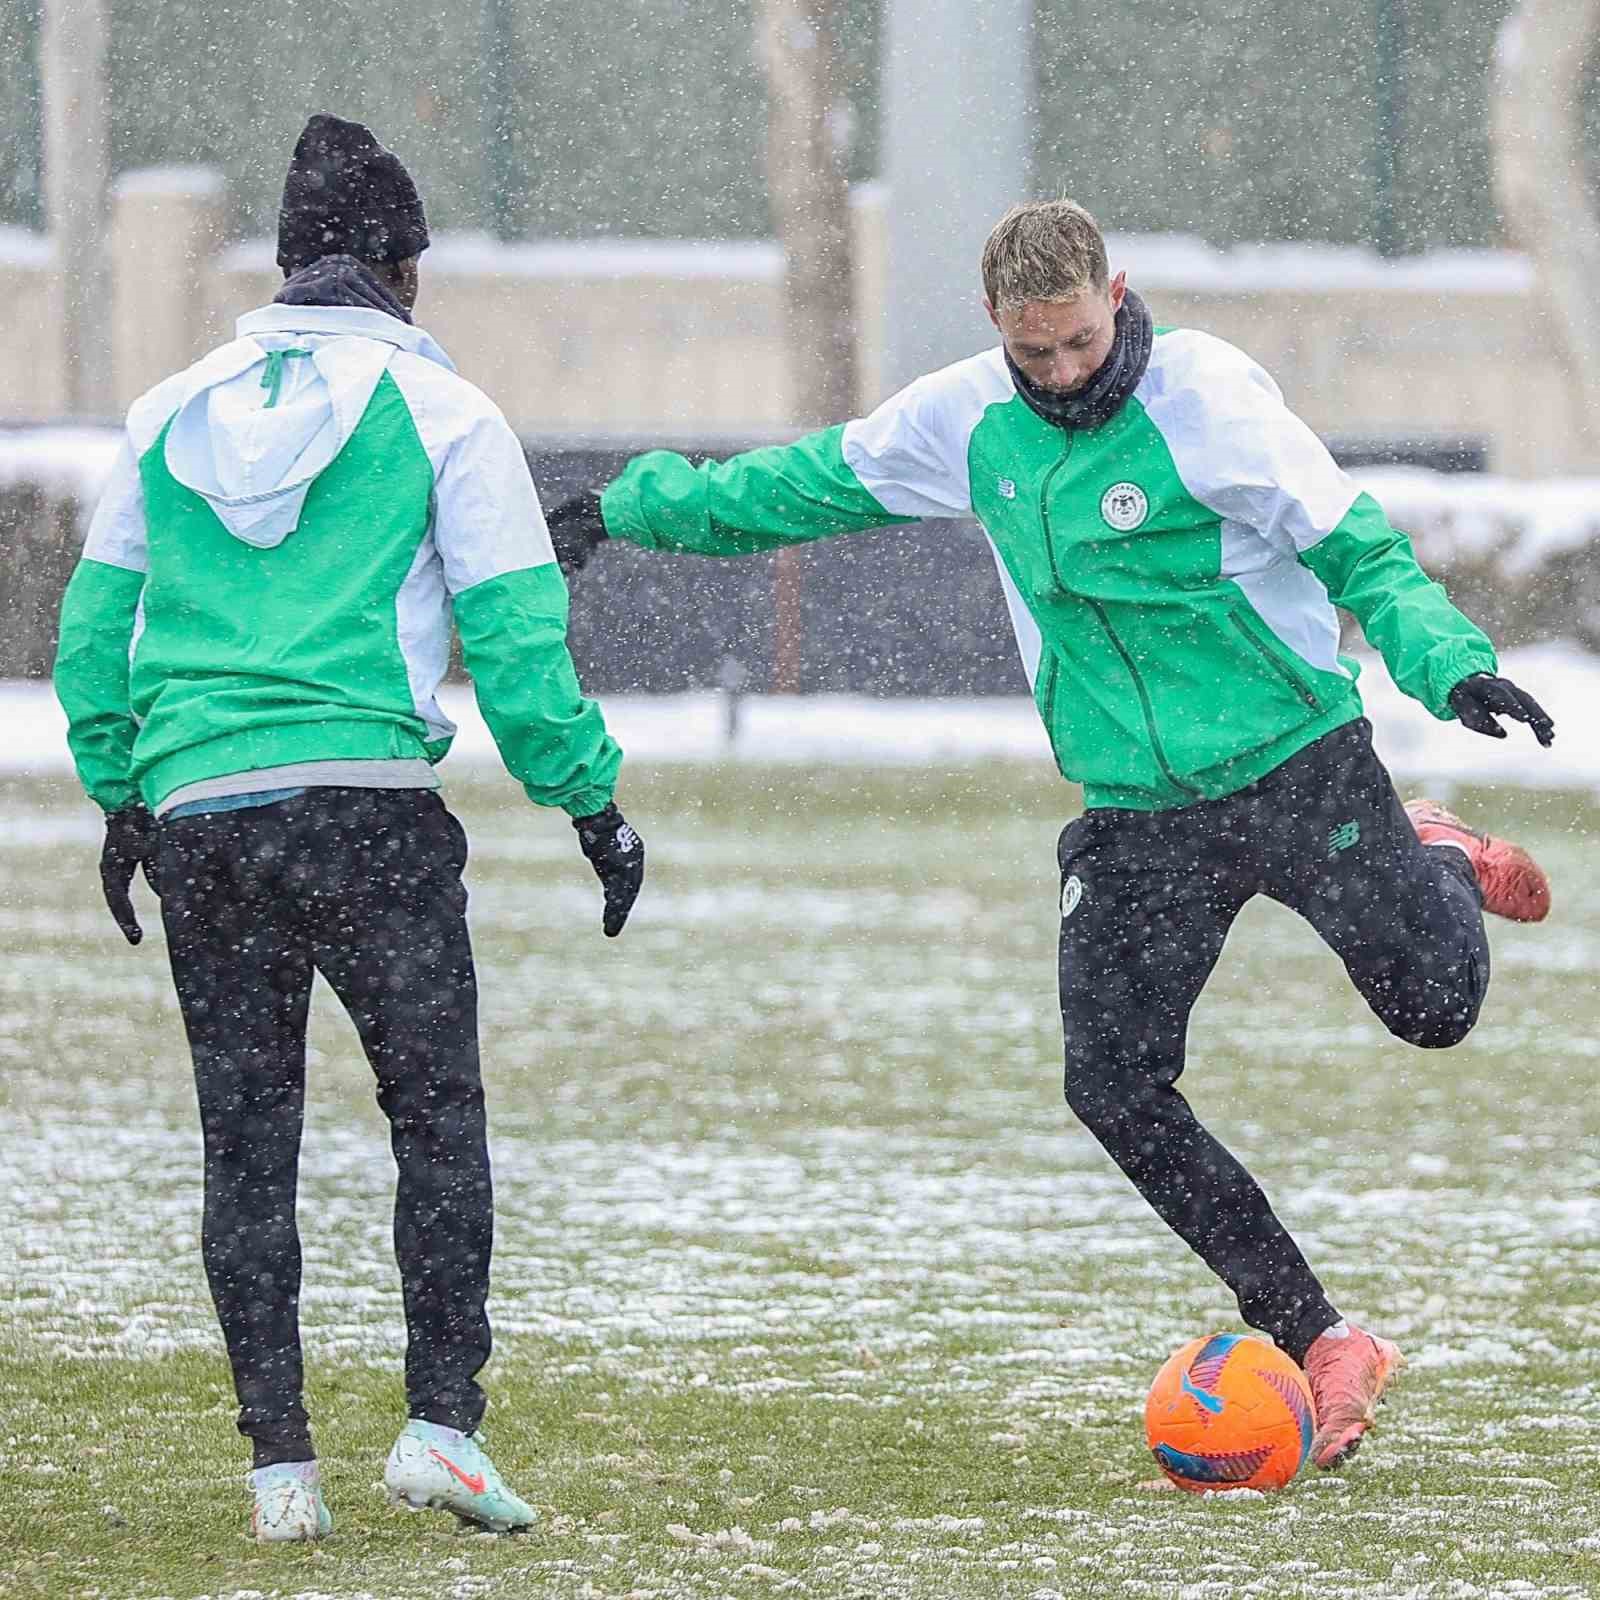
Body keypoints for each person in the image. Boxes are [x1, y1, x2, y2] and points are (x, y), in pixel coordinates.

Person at [543, 198, 1555, 1474]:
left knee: (1435, 1009)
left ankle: (1437, 852)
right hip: (1137, 810)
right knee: (1110, 1083)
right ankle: (1319, 1335)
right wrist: (626, 510)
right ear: (996, 325)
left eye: (1081, 340)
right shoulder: (966, 420)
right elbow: (795, 487)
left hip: (1296, 759)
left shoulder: (1207, 399)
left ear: (1115, 297)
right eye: (1037, 351)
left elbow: (1359, 552)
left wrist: (1448, 664)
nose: (1065, 371)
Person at [53, 113, 644, 1542]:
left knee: (246, 1144)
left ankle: (281, 1473)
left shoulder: (168, 412)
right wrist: (591, 801)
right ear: (405, 268)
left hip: (204, 818)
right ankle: (439, 1425)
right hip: (369, 813)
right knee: (434, 1121)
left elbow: (89, 635)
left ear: (287, 263)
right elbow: (518, 650)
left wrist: (122, 788)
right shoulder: (446, 414)